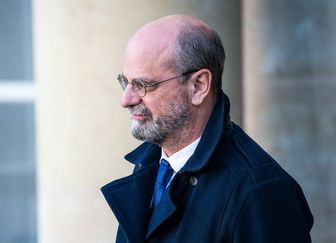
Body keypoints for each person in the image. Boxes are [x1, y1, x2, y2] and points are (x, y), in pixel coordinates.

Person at [101, 14, 313, 243]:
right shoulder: (150, 167)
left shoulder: (259, 192)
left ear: (199, 86)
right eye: (126, 82)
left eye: (143, 85)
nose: (126, 99)